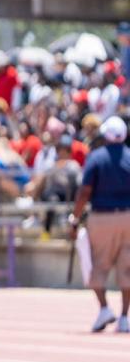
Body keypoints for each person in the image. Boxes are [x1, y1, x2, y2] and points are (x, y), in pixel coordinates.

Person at [69, 116, 130, 333]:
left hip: (102, 216)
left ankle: (104, 308)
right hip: (128, 218)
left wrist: (75, 218)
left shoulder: (96, 158)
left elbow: (85, 191)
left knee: (98, 265)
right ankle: (124, 316)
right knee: (127, 268)